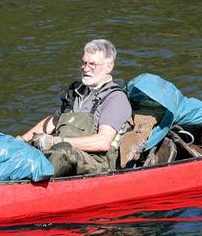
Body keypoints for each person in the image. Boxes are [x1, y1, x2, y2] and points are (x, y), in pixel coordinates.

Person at [21, 38, 133, 176]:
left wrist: (56, 141)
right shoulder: (75, 92)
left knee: (62, 151)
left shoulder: (115, 98)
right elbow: (54, 121)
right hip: (60, 153)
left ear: (108, 67)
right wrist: (21, 141)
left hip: (96, 163)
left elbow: (102, 142)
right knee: (25, 148)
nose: (85, 68)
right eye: (84, 63)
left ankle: (31, 185)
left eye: (92, 64)